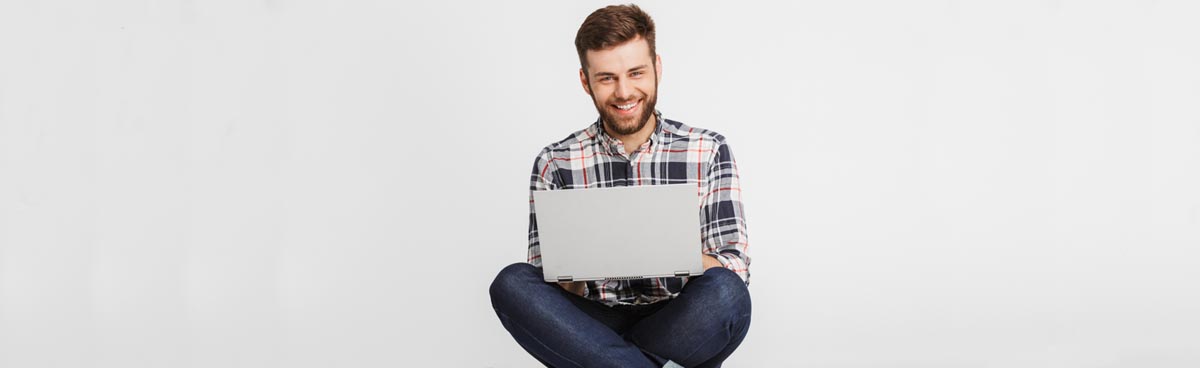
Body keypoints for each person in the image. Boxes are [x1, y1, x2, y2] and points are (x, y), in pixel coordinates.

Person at [489, 4, 752, 367]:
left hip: (679, 316)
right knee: (512, 284)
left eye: (636, 73)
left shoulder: (707, 149)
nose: (624, 92)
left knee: (725, 293)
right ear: (586, 81)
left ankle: (611, 361)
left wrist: (669, 253)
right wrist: (582, 265)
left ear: (657, 69)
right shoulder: (555, 161)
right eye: (607, 78)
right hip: (593, 320)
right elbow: (547, 285)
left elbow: (735, 268)